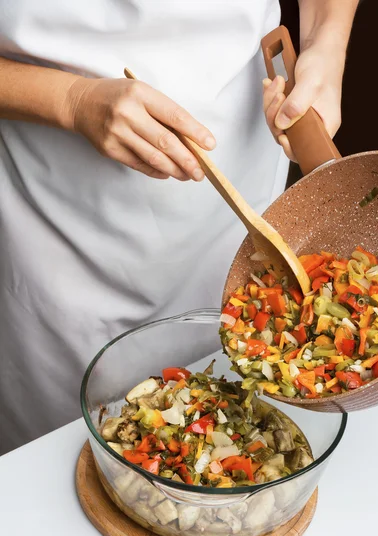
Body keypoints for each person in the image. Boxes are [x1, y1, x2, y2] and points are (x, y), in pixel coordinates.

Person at [0, 0, 359, 454]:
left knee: (248, 422)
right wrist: (71, 101)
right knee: (57, 463)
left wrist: (325, 44)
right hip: (57, 226)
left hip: (240, 162)